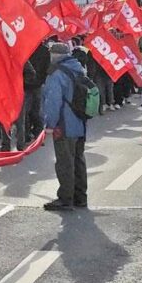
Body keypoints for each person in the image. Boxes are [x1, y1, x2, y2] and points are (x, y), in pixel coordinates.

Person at [41, 43, 88, 211]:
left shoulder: (57, 73)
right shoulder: (78, 68)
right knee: (78, 159)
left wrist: (49, 125)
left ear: (54, 55)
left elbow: (53, 101)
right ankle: (80, 197)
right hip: (80, 121)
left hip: (64, 123)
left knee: (64, 162)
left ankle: (65, 198)